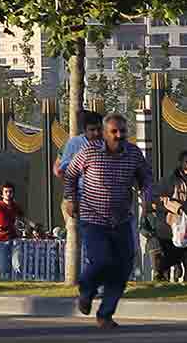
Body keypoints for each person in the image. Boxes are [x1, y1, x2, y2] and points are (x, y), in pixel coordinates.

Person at [63, 112, 154, 328]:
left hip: (121, 219)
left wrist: (148, 196)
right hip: (93, 219)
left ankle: (105, 314)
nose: (119, 135)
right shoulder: (89, 152)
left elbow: (146, 177)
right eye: (114, 131)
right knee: (102, 260)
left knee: (122, 268)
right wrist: (70, 199)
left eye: (122, 131)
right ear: (104, 134)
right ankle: (86, 290)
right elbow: (71, 174)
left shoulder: (133, 153)